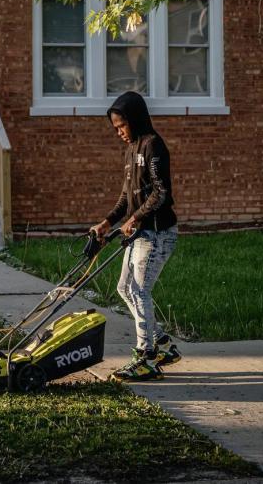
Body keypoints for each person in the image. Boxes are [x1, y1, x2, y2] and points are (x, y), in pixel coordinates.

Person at [91, 91, 180, 382]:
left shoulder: (154, 146)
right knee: (124, 287)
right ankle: (163, 344)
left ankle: (146, 358)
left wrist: (135, 219)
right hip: (139, 232)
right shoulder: (130, 151)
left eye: (122, 126)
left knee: (140, 290)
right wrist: (107, 222)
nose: (119, 132)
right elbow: (126, 197)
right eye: (115, 128)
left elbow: (161, 193)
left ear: (135, 119)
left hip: (157, 232)